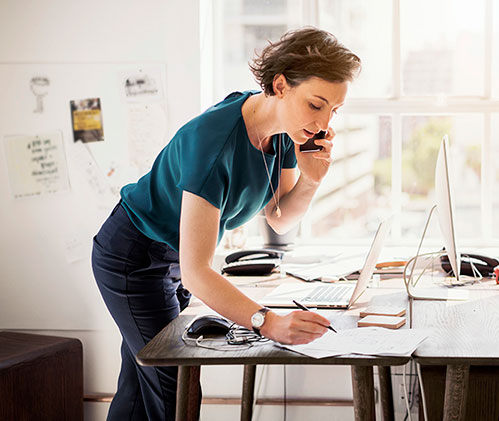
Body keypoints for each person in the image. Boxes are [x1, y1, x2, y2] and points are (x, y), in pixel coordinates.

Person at [91, 27, 361, 421]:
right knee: (173, 387)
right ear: (281, 85)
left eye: (334, 111)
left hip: (171, 258)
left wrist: (311, 180)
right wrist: (268, 323)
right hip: (134, 255)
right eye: (316, 104)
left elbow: (280, 218)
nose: (322, 124)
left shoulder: (284, 132)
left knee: (139, 386)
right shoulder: (214, 142)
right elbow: (197, 272)